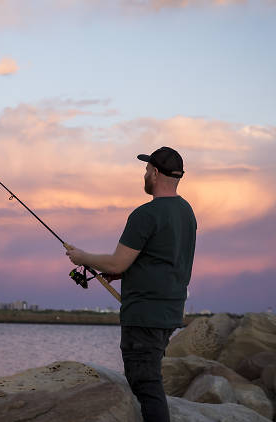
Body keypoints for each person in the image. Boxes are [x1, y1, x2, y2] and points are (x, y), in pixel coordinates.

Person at [65, 146, 196, 422]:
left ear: (156, 173)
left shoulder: (145, 215)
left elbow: (115, 262)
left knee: (145, 384)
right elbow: (163, 260)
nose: (144, 173)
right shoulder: (186, 212)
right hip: (169, 313)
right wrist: (125, 274)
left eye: (147, 169)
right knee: (148, 379)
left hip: (144, 316)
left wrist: (81, 256)